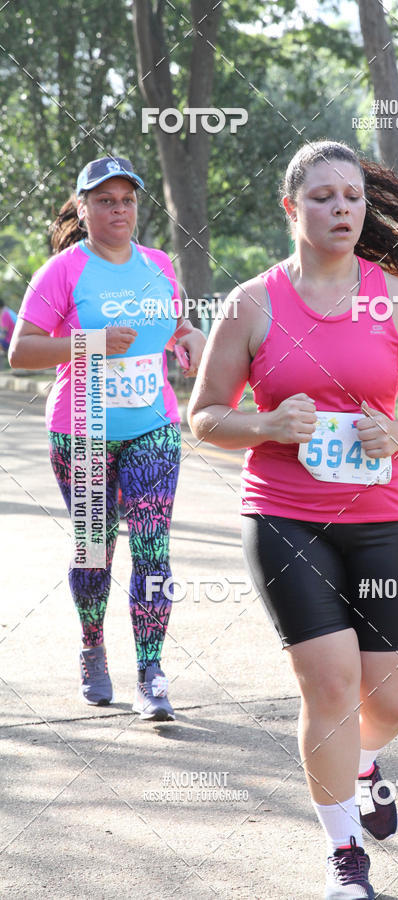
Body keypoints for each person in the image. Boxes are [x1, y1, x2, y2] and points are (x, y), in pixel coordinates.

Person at [188, 140, 398, 899]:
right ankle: (345, 856)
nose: (341, 208)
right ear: (291, 208)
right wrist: (266, 427)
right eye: (323, 197)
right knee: (330, 685)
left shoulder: (397, 297)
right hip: (283, 516)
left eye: (352, 197)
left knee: (390, 702)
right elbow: (204, 416)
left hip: (382, 519)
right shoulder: (252, 302)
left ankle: (361, 763)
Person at [9, 155, 205, 720]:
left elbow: (177, 325)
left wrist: (189, 338)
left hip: (153, 427)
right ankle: (92, 645)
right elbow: (22, 350)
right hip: (83, 432)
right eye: (104, 200)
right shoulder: (62, 271)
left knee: (152, 550)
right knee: (96, 549)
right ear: (83, 208)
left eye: (127, 200)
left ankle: (151, 670)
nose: (118, 209)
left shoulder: (159, 264)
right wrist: (88, 342)